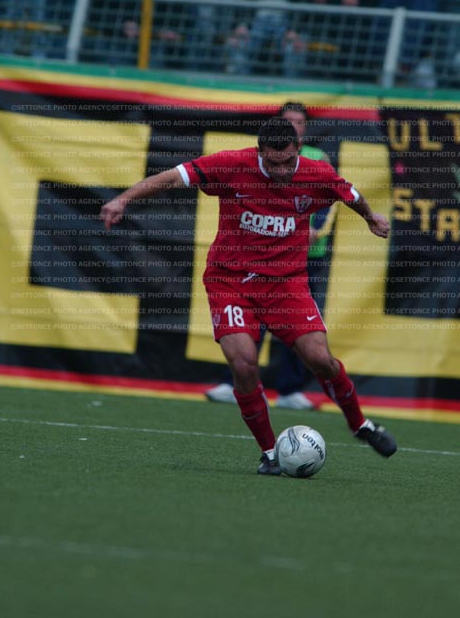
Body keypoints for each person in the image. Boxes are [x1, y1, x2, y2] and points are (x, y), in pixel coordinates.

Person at [100, 117, 397, 474]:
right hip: (231, 282)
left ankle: (360, 424)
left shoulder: (316, 173)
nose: (282, 171)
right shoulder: (231, 165)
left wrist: (370, 217)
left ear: (298, 150)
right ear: (260, 152)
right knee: (244, 363)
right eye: (273, 163)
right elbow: (172, 177)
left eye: (288, 161)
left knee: (321, 358)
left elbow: (350, 195)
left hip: (286, 285)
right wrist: (123, 200)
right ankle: (270, 452)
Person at [206, 103, 338, 410]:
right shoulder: (259, 158)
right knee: (248, 322)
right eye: (288, 121)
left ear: (305, 129)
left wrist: (316, 230)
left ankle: (290, 389)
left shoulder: (317, 158)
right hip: (260, 256)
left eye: (299, 122)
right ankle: (239, 383)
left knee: (301, 328)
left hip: (303, 257)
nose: (294, 126)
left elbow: (331, 197)